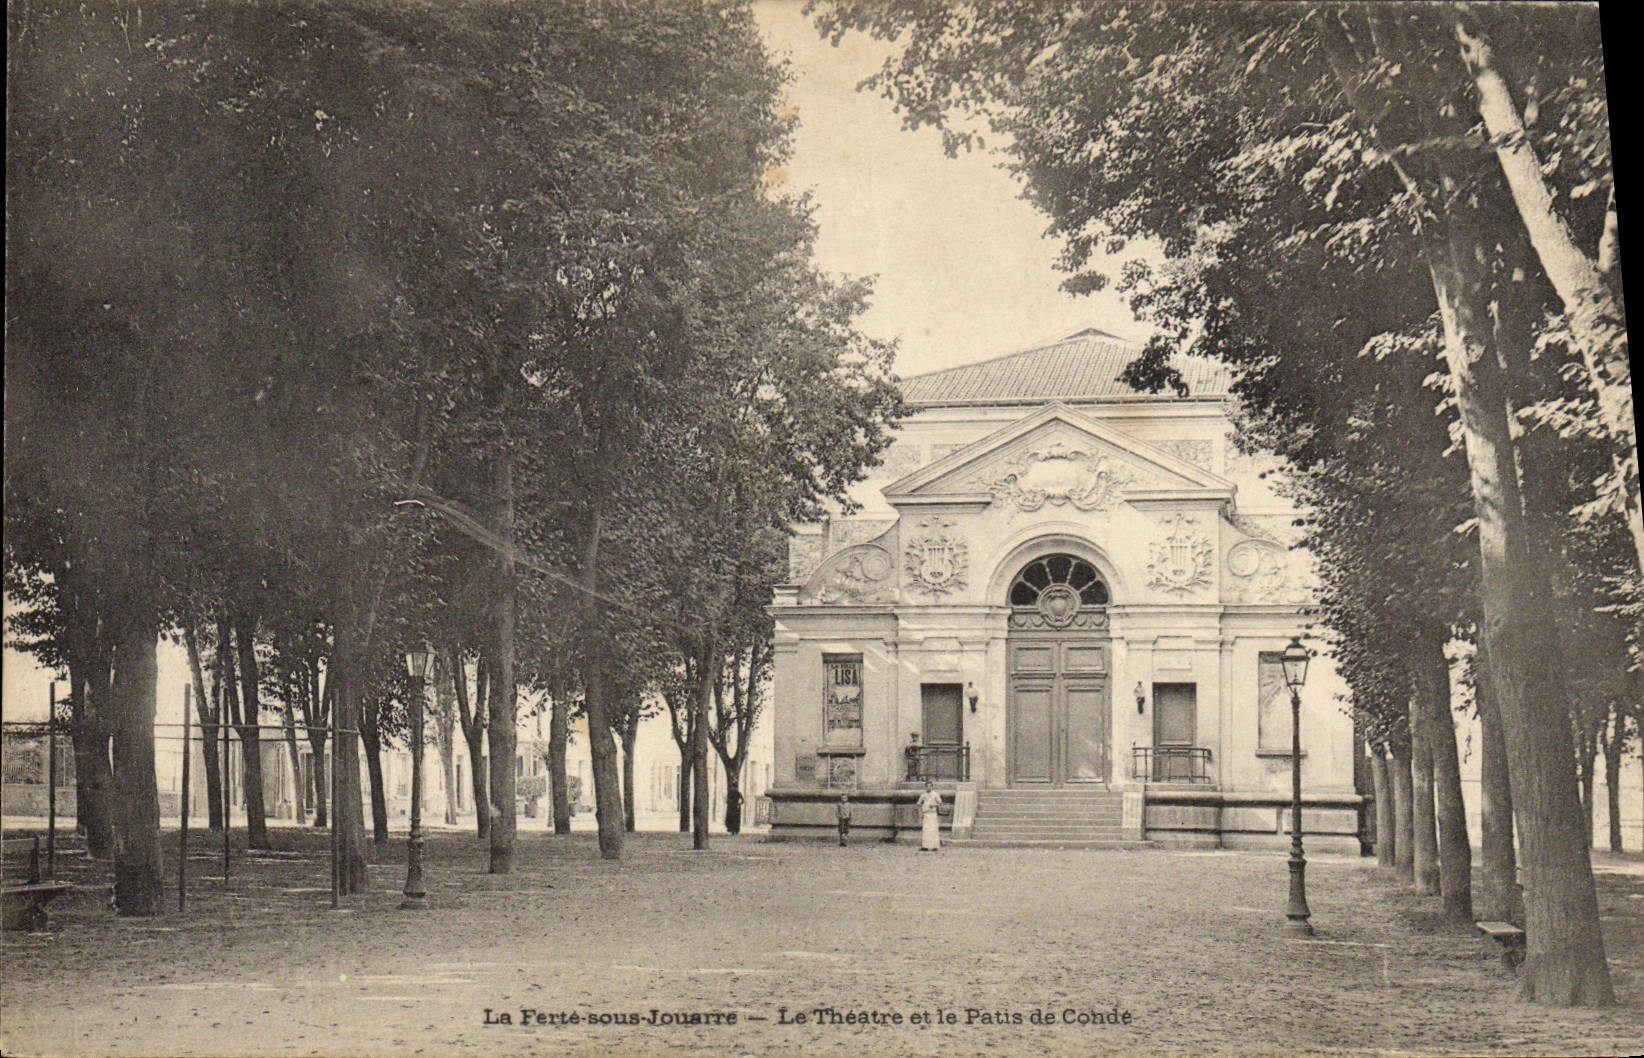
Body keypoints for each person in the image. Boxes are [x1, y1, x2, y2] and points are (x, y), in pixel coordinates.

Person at [916, 781, 943, 852]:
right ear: (925, 787)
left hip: (932, 814)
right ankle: (925, 845)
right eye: (927, 786)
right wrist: (921, 810)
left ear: (932, 787)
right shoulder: (923, 795)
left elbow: (940, 803)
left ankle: (934, 846)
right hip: (926, 814)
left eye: (930, 786)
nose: (928, 787)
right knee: (926, 829)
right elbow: (918, 803)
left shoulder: (935, 794)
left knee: (933, 829)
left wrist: (934, 805)